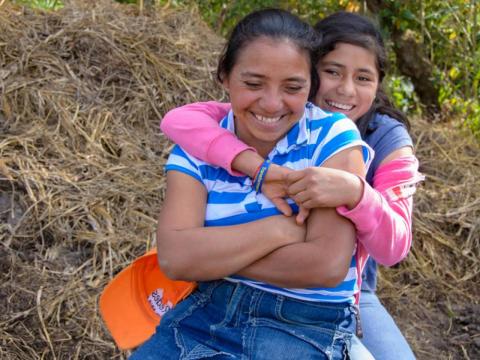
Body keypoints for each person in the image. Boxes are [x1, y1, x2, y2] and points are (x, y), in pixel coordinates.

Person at [160, 11, 423, 360]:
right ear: (313, 74)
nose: (344, 89)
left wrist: (358, 194)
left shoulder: (377, 138)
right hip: (214, 307)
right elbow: (177, 120)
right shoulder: (225, 122)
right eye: (332, 71)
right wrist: (276, 218)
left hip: (347, 296)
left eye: (363, 77)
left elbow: (355, 258)